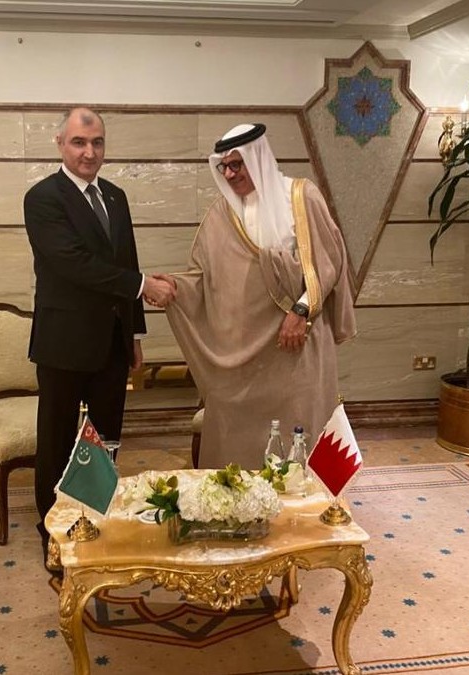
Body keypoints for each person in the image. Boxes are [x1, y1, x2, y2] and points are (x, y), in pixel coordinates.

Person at [24, 107, 176, 569]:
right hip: (63, 342)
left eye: (97, 143)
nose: (89, 152)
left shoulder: (115, 196)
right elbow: (74, 264)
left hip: (112, 341)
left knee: (105, 439)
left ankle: (93, 518)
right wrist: (143, 286)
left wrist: (134, 333)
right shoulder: (43, 198)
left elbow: (127, 260)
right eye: (79, 142)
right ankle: (53, 533)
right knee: (56, 441)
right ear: (60, 144)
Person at [165, 123, 356, 469]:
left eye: (237, 164)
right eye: (224, 166)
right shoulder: (222, 213)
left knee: (300, 432)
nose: (230, 174)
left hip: (296, 345)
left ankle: (303, 500)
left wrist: (301, 311)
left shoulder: (300, 197)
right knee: (238, 444)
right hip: (243, 356)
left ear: (258, 158)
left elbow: (328, 263)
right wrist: (173, 289)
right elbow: (201, 278)